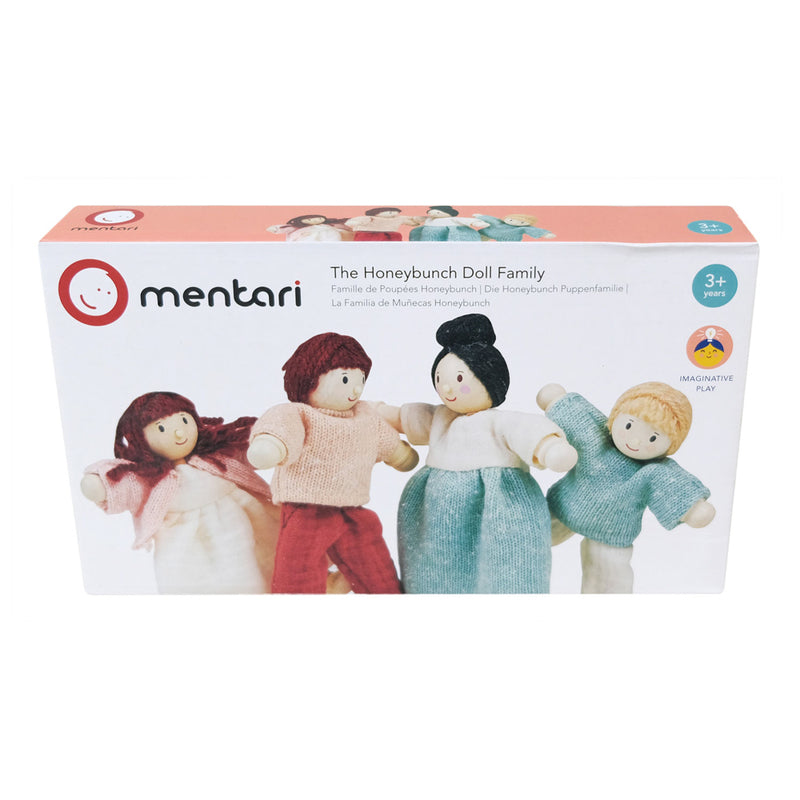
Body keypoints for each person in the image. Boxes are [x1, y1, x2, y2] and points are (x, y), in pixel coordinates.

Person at [378, 314, 576, 593]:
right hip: (437, 509)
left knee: (506, 565)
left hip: (498, 503)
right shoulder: (440, 417)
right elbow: (405, 417)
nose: (447, 388)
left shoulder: (500, 422)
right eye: (439, 378)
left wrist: (549, 448)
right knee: (436, 567)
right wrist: (379, 412)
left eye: (459, 378)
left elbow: (526, 430)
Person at [248, 332, 418, 593]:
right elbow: (281, 429)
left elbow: (384, 440)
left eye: (361, 379)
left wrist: (400, 454)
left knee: (376, 569)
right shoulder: (299, 413)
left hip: (353, 511)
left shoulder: (365, 415)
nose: (356, 389)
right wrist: (271, 445)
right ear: (309, 377)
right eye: (346, 379)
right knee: (297, 575)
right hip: (305, 510)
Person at [80, 391, 281, 594]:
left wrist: (268, 445)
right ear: (141, 440)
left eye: (184, 420)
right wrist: (102, 483)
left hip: (243, 521)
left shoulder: (218, 457)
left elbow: (247, 450)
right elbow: (125, 482)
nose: (179, 433)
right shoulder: (152, 480)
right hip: (186, 539)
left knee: (261, 560)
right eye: (161, 428)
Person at [537, 381, 715, 593]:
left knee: (608, 577)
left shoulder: (653, 471)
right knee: (530, 534)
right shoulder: (596, 438)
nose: (636, 441)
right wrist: (557, 400)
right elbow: (579, 418)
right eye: (629, 426)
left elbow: (674, 485)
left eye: (652, 438)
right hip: (564, 506)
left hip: (612, 532)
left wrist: (693, 508)